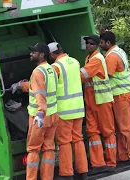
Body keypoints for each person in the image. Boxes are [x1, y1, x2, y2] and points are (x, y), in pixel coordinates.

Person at [11, 43, 59, 180]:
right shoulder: (50, 70)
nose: (31, 54)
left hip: (40, 118)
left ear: (42, 54)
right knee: (49, 148)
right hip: (53, 115)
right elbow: (40, 88)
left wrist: (39, 113)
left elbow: (40, 95)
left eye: (34, 52)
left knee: (33, 149)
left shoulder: (37, 72)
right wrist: (21, 85)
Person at [99, 31, 130, 165]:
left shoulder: (111, 57)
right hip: (123, 94)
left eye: (101, 43)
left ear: (108, 43)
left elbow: (107, 76)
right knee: (120, 128)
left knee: (125, 127)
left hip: (121, 95)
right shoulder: (119, 51)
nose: (100, 45)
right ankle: (123, 156)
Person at [48, 42, 88, 180]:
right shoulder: (75, 62)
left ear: (52, 54)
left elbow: (48, 86)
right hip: (78, 108)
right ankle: (83, 171)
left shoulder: (56, 67)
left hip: (64, 110)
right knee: (78, 139)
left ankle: (66, 173)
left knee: (64, 142)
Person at [79, 35, 116, 175]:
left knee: (107, 132)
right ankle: (98, 164)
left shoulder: (97, 59)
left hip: (102, 101)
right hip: (91, 101)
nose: (88, 45)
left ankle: (111, 163)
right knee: (92, 132)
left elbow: (81, 76)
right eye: (86, 43)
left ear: (97, 46)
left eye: (91, 43)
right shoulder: (89, 58)